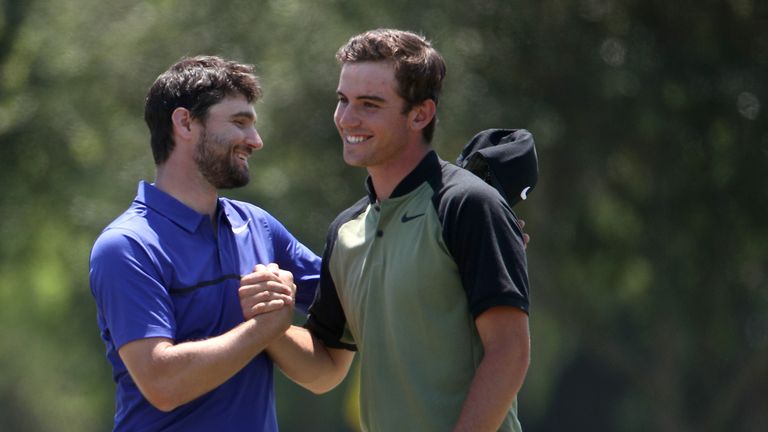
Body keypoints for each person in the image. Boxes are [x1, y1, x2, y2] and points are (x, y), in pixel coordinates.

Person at [255, 29, 531, 431]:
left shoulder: (468, 206)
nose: (347, 119)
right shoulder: (346, 230)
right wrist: (268, 326)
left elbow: (509, 352)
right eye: (343, 100)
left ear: (420, 114)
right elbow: (327, 368)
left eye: (369, 105)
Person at [89, 56, 321, 431]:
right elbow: (162, 383)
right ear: (185, 123)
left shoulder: (258, 226)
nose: (255, 141)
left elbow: (351, 299)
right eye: (239, 122)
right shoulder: (127, 246)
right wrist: (263, 328)